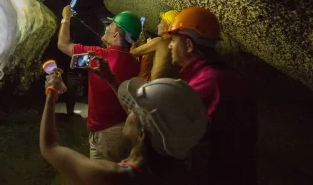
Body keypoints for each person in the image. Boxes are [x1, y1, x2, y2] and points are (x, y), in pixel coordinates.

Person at [40, 59, 208, 185]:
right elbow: (146, 123)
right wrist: (111, 79)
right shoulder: (174, 170)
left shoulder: (108, 175)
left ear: (142, 134)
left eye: (134, 111)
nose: (129, 111)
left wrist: (51, 93)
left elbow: (49, 147)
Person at [165, 7, 257, 185]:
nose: (169, 45)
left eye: (173, 40)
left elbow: (175, 134)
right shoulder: (220, 75)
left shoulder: (209, 82)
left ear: (189, 45)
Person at [57, 6, 141, 161]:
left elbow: (63, 44)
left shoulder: (98, 56)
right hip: (124, 127)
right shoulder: (135, 63)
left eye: (111, 25)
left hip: (105, 134)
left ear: (116, 35)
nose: (107, 27)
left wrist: (66, 18)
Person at [131, 10, 180, 80]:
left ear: (166, 27)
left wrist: (134, 42)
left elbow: (132, 53)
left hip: (151, 86)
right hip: (166, 88)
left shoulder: (160, 41)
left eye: (160, 23)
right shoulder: (178, 47)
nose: (157, 26)